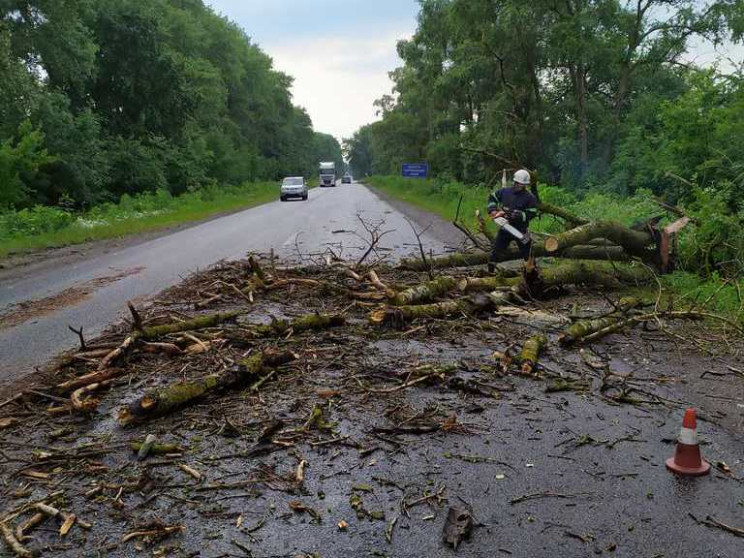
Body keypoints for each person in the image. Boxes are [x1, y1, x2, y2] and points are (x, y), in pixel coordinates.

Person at [487, 169, 538, 266]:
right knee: (495, 253)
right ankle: (490, 271)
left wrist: (521, 215)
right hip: (505, 228)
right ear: (515, 181)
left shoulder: (529, 197)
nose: (520, 185)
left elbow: (533, 212)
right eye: (518, 183)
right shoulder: (504, 192)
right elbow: (492, 198)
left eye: (523, 184)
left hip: (521, 230)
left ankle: (532, 273)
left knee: (528, 253)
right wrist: (493, 210)